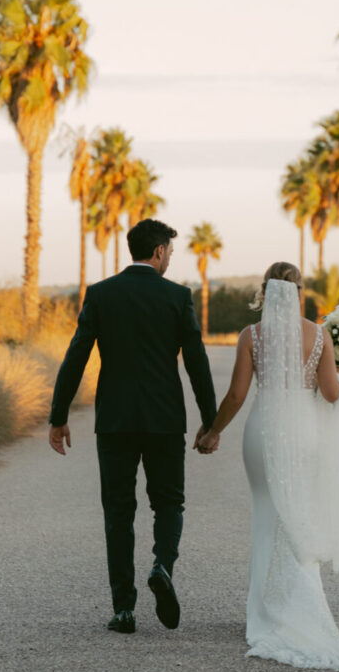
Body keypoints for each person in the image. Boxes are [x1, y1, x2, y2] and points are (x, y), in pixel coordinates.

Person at [196, 262, 339, 671]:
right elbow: (330, 394)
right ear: (299, 291)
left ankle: (267, 606)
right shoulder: (320, 334)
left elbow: (238, 395)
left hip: (264, 432)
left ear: (264, 291)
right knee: (298, 512)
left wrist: (211, 431)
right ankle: (291, 601)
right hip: (305, 433)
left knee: (267, 512)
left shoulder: (251, 335)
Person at [49, 218, 217, 635]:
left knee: (118, 514)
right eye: (171, 253)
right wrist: (210, 421)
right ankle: (162, 565)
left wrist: (59, 415)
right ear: (159, 251)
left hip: (115, 421)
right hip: (164, 420)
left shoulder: (102, 294)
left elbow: (77, 356)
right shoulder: (177, 297)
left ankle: (124, 610)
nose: (170, 260)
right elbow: (196, 361)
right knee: (170, 503)